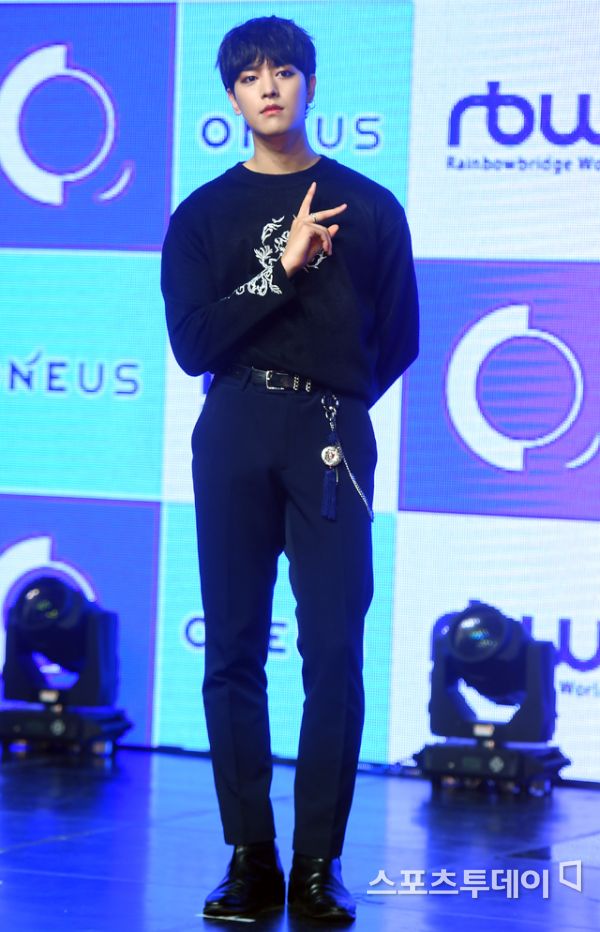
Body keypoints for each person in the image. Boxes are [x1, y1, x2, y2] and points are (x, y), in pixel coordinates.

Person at [161, 15, 418, 924]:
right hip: (233, 424)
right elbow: (193, 345)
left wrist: (331, 399)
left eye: (283, 71)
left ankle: (318, 862)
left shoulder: (370, 205)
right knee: (233, 648)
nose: (267, 87)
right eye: (249, 76)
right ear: (232, 96)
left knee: (334, 649)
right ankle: (250, 858)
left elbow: (400, 338)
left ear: (310, 83)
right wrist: (281, 266)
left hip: (331, 434)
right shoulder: (201, 214)